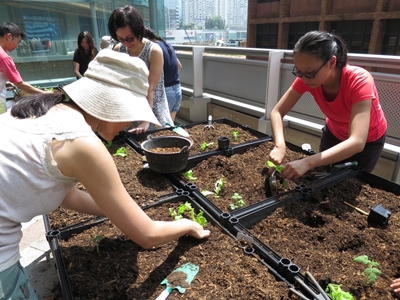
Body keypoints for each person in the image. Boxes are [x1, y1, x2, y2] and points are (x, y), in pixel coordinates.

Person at [0, 49, 210, 299]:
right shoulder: (82, 142)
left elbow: (66, 195)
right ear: (114, 105)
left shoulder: (42, 110)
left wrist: (117, 210)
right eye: (131, 114)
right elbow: (148, 236)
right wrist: (187, 224)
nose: (130, 123)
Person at [269, 31, 387, 179]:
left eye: (310, 72)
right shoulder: (306, 79)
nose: (304, 78)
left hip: (367, 142)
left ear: (332, 62)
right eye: (298, 72)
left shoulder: (359, 80)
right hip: (334, 134)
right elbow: (277, 112)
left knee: (349, 184)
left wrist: (307, 162)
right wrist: (280, 145)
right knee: (322, 179)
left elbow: (357, 141)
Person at [108, 5, 173, 133]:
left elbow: (150, 88)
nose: (126, 43)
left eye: (130, 38)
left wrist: (145, 121)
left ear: (138, 30)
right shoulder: (118, 49)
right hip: (131, 110)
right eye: (120, 39)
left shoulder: (153, 51)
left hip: (153, 110)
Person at [0, 22, 47, 114]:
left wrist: (4, 83)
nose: (17, 46)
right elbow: (19, 84)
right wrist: (44, 93)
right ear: (8, 36)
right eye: (17, 42)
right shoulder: (4, 57)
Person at [144, 26, 182, 121]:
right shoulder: (168, 45)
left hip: (165, 92)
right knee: (169, 126)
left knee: (160, 128)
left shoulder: (154, 49)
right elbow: (179, 66)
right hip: (177, 89)